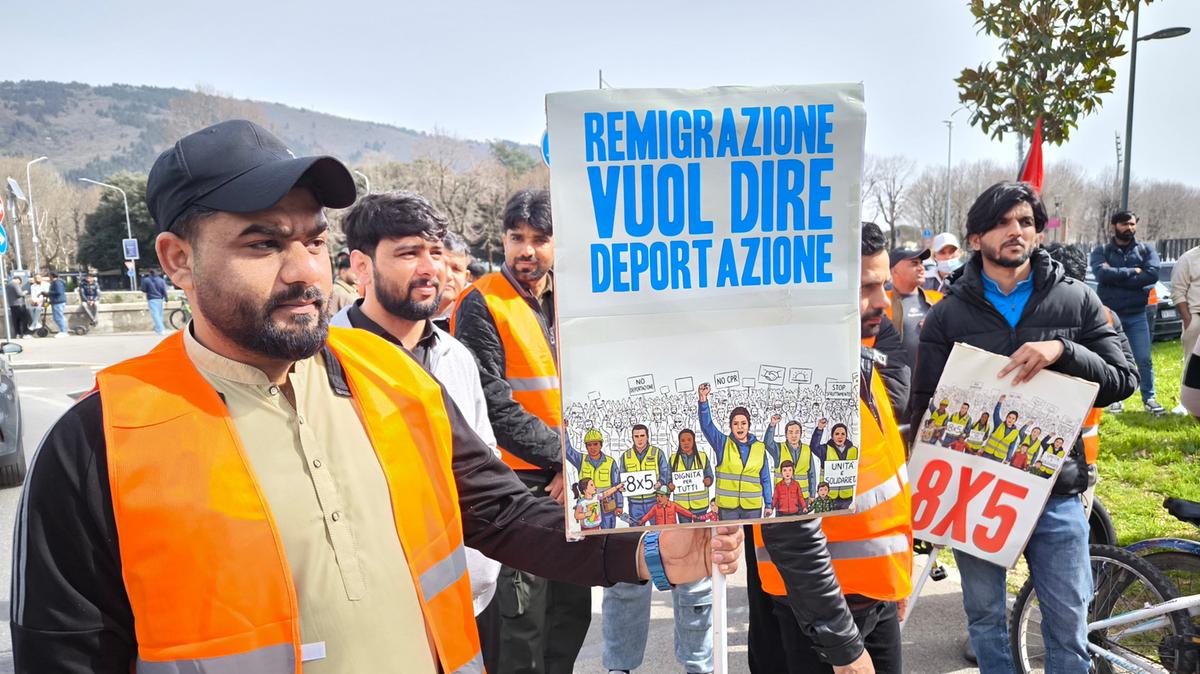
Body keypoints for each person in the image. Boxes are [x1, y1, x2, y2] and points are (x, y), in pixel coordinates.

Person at [10, 119, 743, 674]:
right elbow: (67, 654)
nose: (304, 271)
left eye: (313, 240)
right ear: (177, 260)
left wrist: (648, 552)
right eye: (264, 244)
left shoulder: (390, 377)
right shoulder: (101, 441)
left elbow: (499, 512)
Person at [910, 181, 1137, 674]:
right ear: (976, 239)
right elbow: (924, 407)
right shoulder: (947, 315)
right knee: (986, 619)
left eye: (1027, 222)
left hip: (1058, 492)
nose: (1017, 231)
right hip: (976, 497)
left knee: (1068, 624)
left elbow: (1124, 380)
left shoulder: (1077, 300)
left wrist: (1064, 351)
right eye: (1003, 223)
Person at [328, 189, 506, 673]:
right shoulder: (322, 360)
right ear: (360, 267)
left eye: (436, 251)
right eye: (408, 253)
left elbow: (485, 468)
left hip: (469, 596)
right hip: (379, 616)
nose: (431, 269)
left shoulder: (456, 357)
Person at [753, 221, 914, 674]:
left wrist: (895, 577)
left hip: (872, 598)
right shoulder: (795, 380)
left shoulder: (860, 361)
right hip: (825, 615)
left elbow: (886, 489)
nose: (883, 301)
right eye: (866, 286)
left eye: (883, 284)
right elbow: (791, 529)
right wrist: (841, 645)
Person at [451, 189, 591, 674]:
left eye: (539, 239)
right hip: (518, 485)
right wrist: (564, 460)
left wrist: (574, 468)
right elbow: (494, 404)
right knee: (520, 623)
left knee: (570, 614)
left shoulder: (577, 300)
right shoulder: (480, 303)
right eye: (516, 238)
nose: (526, 250)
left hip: (574, 480)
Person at [604, 424, 712, 674]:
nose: (639, 440)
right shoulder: (625, 456)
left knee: (692, 573)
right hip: (636, 511)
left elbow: (667, 477)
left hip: (669, 508)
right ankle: (619, 667)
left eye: (643, 436)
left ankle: (699, 665)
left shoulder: (660, 454)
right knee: (624, 575)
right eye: (636, 436)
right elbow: (619, 481)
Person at [1090, 210, 1164, 415]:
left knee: (1144, 358)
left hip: (1137, 314)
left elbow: (1152, 274)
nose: (1129, 228)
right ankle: (1116, 398)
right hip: (1110, 315)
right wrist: (1134, 271)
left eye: (1132, 224)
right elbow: (1101, 274)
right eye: (1124, 224)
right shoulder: (1102, 251)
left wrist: (1116, 276)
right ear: (1114, 226)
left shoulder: (1146, 250)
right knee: (1112, 356)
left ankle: (1149, 398)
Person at [697, 386, 773, 520]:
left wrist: (768, 504)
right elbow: (707, 426)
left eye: (743, 423)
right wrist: (703, 400)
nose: (740, 427)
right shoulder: (722, 443)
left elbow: (765, 478)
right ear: (730, 426)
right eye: (735, 423)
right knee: (730, 540)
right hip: (728, 508)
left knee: (750, 540)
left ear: (749, 425)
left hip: (752, 508)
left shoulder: (760, 448)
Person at [887, 246, 943, 368]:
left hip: (932, 382)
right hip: (896, 382)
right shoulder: (882, 303)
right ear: (894, 270)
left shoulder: (938, 300)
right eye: (914, 263)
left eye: (921, 263)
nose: (921, 268)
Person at [563, 427, 623, 530]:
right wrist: (564, 431)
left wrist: (620, 505)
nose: (592, 447)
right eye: (589, 445)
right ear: (586, 446)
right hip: (588, 504)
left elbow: (616, 484)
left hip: (607, 505)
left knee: (608, 533)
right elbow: (568, 451)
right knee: (591, 535)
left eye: (595, 444)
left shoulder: (610, 462)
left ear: (601, 445)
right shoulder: (580, 460)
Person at [763, 414, 819, 502]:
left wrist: (812, 494)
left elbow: (812, 474)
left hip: (802, 498)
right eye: (790, 432)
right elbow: (767, 443)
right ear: (786, 434)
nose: (794, 435)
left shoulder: (806, 449)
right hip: (783, 498)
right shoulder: (779, 448)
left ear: (801, 434)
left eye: (797, 432)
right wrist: (772, 425)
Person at [1172, 242, 1200, 412]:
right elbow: (1178, 291)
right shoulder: (1188, 258)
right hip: (1196, 316)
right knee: (1192, 362)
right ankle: (1185, 404)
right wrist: (1188, 319)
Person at [667, 428, 714, 519]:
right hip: (682, 506)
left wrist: (709, 480)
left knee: (700, 532)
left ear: (694, 441)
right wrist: (670, 485)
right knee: (685, 532)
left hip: (700, 505)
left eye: (689, 440)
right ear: (679, 442)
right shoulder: (673, 459)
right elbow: (668, 478)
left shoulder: (702, 456)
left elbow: (709, 475)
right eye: (683, 440)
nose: (686, 443)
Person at [433, 231, 472, 332]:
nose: (448, 276)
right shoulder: (398, 314)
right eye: (441, 266)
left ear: (466, 277)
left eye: (456, 269)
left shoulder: (473, 321)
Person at [139, 269, 168, 335]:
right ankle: (158, 329)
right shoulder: (161, 280)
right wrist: (166, 299)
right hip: (160, 299)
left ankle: (161, 329)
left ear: (150, 273)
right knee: (159, 314)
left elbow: (143, 289)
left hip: (151, 299)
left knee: (155, 315)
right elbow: (164, 291)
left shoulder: (146, 280)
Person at [47, 272, 69, 337]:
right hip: (57, 301)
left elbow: (58, 292)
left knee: (58, 317)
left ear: (52, 276)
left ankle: (63, 331)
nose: (49, 277)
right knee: (58, 317)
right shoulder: (58, 282)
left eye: (49, 276)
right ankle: (63, 330)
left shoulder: (57, 282)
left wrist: (48, 293)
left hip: (58, 301)